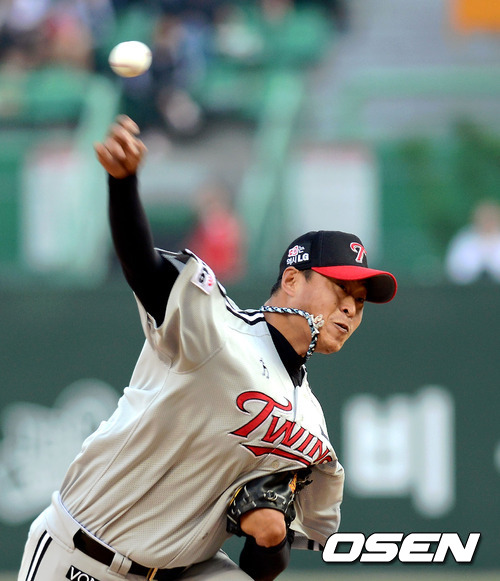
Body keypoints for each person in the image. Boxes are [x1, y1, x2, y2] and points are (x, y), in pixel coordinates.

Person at [18, 115, 397, 581]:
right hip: (86, 554)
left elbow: (264, 566)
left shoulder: (311, 427)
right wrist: (123, 184)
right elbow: (143, 268)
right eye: (340, 289)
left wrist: (270, 535)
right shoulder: (218, 330)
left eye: (360, 300)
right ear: (292, 280)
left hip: (187, 570)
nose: (351, 308)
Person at [445, 199, 500, 284]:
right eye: (484, 218)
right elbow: (453, 268)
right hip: (469, 289)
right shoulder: (464, 240)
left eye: (491, 218)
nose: (487, 221)